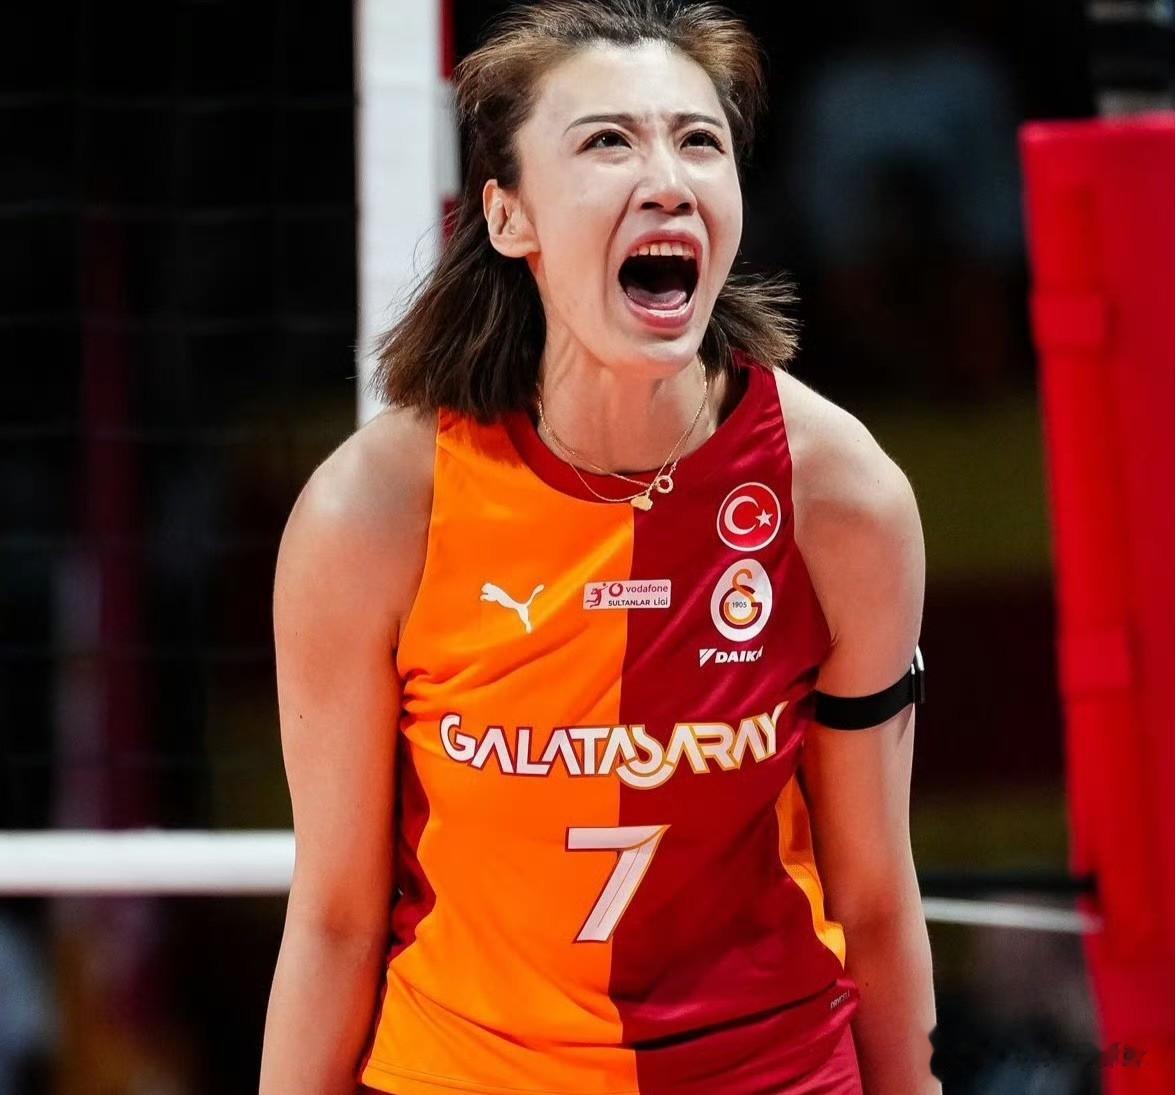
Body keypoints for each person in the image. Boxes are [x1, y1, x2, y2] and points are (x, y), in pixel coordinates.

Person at [258, 3, 938, 1093]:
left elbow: (873, 899)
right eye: (607, 142)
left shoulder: (840, 498)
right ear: (508, 216)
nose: (665, 178)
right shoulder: (371, 514)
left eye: (698, 140)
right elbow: (335, 917)